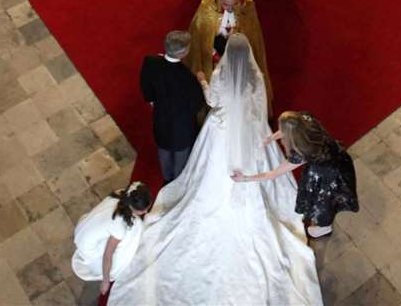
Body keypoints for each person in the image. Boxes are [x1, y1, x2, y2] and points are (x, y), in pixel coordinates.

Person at [106, 35, 320, 306]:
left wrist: (203, 80)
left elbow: (212, 101)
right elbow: (257, 107)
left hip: (220, 128)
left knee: (205, 172)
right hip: (249, 130)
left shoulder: (220, 73)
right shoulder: (255, 76)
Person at [233, 110, 359, 239]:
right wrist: (270, 138)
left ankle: (324, 228)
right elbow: (290, 129)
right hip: (338, 158)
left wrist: (245, 178)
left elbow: (273, 174)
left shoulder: (301, 153)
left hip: (326, 176)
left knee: (324, 203)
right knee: (331, 197)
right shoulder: (306, 119)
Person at [186, 0, 271, 109]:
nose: (230, 9)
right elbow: (200, 37)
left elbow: (253, 37)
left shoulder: (247, 6)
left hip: (238, 57)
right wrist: (214, 55)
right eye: (225, 4)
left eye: (234, 4)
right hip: (214, 58)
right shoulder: (207, 7)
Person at [140, 31, 206, 183]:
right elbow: (196, 106)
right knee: (180, 160)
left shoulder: (151, 62)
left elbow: (145, 86)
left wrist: (153, 102)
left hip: (161, 120)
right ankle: (176, 184)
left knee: (163, 149)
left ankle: (166, 179)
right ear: (183, 53)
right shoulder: (189, 79)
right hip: (182, 128)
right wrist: (202, 82)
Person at [71, 181, 152, 305]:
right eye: (143, 211)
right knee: (134, 233)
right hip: (88, 248)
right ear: (134, 208)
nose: (145, 213)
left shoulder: (119, 193)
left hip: (83, 230)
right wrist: (106, 280)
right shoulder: (119, 225)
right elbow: (108, 255)